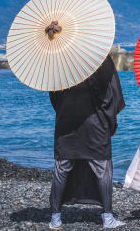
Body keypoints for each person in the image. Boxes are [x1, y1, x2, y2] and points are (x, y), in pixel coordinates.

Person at [49, 55, 126, 229]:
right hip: (94, 123)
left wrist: (63, 112)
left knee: (61, 169)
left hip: (65, 122)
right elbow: (108, 96)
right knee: (103, 169)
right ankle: (107, 218)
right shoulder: (98, 58)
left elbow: (54, 97)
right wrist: (112, 123)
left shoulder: (59, 61)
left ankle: (55, 217)